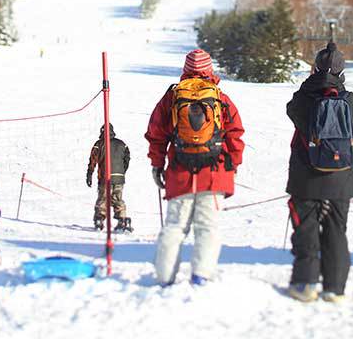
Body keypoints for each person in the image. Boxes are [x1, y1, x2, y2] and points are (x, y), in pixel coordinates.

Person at [146, 48, 245, 285]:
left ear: (185, 70)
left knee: (175, 227)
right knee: (207, 227)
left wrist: (157, 165)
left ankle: (165, 276)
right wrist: (234, 164)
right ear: (210, 71)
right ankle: (201, 275)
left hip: (180, 172)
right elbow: (235, 134)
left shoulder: (172, 97)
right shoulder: (220, 98)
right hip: (214, 174)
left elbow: (156, 134)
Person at [285, 42, 353, 303]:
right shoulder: (350, 101)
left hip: (306, 178)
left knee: (306, 229)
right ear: (342, 73)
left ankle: (305, 284)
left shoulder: (302, 99)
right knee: (336, 231)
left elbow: (292, 110)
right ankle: (335, 288)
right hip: (340, 176)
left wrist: (311, 83)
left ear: (314, 69)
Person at [86, 123, 132, 231]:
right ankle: (122, 218)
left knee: (103, 198)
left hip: (105, 177)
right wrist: (122, 170)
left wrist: (89, 173)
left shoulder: (99, 143)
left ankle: (99, 219)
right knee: (117, 198)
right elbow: (127, 157)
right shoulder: (122, 144)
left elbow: (93, 159)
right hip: (119, 177)